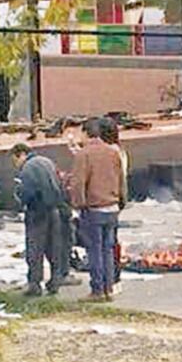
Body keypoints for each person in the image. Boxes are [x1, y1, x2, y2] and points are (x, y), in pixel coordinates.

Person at [70, 118, 126, 302]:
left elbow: (78, 183)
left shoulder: (84, 155)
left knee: (95, 250)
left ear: (86, 133)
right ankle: (109, 288)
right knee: (108, 250)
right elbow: (121, 180)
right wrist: (121, 202)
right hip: (112, 207)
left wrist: (78, 205)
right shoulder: (113, 152)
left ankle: (97, 290)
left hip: (94, 209)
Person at [10, 143, 66, 296]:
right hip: (54, 209)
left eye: (15, 160)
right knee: (53, 247)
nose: (16, 164)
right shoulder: (48, 162)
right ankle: (55, 280)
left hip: (36, 211)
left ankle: (34, 284)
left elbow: (25, 192)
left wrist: (21, 200)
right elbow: (61, 182)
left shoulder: (28, 168)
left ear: (20, 154)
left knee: (35, 249)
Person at [99, 117, 129, 296]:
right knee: (111, 240)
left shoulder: (111, 152)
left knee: (106, 242)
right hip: (116, 198)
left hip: (108, 198)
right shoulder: (120, 151)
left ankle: (111, 278)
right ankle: (114, 277)